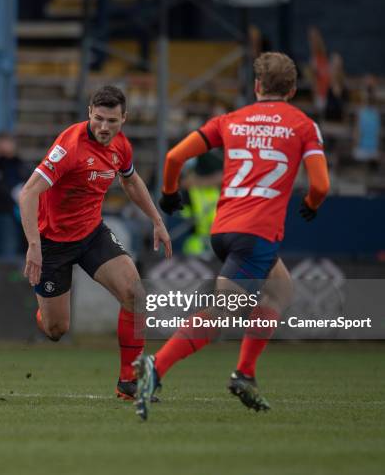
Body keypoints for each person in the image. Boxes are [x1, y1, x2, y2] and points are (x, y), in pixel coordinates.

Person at [133, 52, 330, 419]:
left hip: (224, 228)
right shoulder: (303, 125)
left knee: (280, 289)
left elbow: (175, 156)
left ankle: (245, 374)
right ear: (292, 89)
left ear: (257, 87)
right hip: (258, 232)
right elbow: (320, 183)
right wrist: (313, 202)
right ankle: (156, 367)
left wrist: (170, 193)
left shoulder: (231, 120)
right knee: (224, 313)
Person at [19, 85, 172, 400]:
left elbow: (130, 180)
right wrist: (33, 245)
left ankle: (129, 382)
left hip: (91, 234)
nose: (104, 127)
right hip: (52, 243)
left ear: (123, 119)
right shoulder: (69, 147)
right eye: (99, 118)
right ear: (89, 112)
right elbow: (28, 193)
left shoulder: (121, 146)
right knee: (56, 330)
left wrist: (157, 220)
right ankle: (44, 313)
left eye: (112, 121)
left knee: (135, 294)